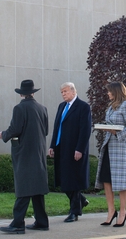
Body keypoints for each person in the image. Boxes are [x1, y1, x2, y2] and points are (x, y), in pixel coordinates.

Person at [0, 79, 50, 233]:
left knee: (24, 186)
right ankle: (42, 222)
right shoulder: (42, 108)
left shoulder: (19, 108)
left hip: (25, 152)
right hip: (39, 151)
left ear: (21, 94)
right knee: (37, 187)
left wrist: (4, 134)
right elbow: (45, 131)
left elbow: (15, 129)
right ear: (33, 92)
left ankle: (18, 223)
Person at [95, 81, 126, 228]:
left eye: (109, 91)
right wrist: (106, 128)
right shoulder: (111, 106)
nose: (108, 93)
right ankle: (111, 211)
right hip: (109, 147)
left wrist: (116, 133)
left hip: (121, 148)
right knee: (106, 179)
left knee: (121, 182)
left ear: (116, 91)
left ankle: (122, 212)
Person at [48, 82, 92, 222]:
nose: (63, 94)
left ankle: (74, 212)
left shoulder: (83, 107)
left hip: (74, 149)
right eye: (61, 92)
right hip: (61, 147)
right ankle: (81, 200)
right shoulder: (62, 106)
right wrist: (52, 145)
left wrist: (80, 148)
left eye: (65, 91)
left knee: (73, 180)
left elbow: (85, 130)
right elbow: (57, 127)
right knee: (63, 179)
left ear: (73, 91)